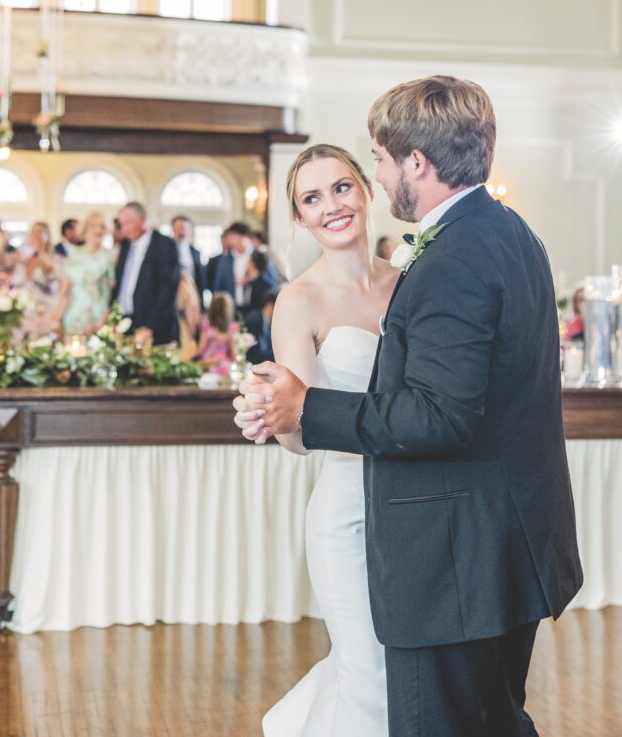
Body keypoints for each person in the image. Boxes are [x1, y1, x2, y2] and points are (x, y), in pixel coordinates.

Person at [236, 76, 582, 737]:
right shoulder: (510, 233)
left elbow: (439, 415)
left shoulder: (443, 259)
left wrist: (303, 406)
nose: (374, 172)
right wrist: (281, 410)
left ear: (413, 165)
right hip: (492, 537)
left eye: (375, 161)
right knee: (492, 718)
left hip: (451, 548)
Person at [238, 143, 397, 735]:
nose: (331, 205)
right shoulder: (297, 301)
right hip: (347, 513)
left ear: (367, 189)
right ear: (300, 218)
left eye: (341, 187)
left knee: (406, 667)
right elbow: (299, 435)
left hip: (414, 506)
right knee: (365, 667)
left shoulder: (408, 282)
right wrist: (270, 415)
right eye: (312, 198)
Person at [111, 201, 180, 345]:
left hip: (153, 326)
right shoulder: (125, 245)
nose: (124, 229)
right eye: (121, 224)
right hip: (125, 321)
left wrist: (149, 327)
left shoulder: (165, 245)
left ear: (142, 220)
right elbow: (120, 283)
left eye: (128, 223)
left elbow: (167, 290)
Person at [11, 222, 68, 343]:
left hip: (48, 311)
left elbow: (62, 284)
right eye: (33, 233)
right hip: (28, 311)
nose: (35, 236)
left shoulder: (58, 259)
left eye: (39, 232)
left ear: (47, 236)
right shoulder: (23, 259)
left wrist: (42, 257)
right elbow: (17, 282)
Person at [61, 212, 115, 337]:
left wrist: (103, 321)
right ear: (85, 229)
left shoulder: (110, 257)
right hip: (74, 317)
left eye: (102, 226)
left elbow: (112, 293)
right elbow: (64, 291)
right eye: (93, 225)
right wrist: (56, 320)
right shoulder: (74, 255)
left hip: (99, 319)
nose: (98, 230)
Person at [211, 221, 253, 309]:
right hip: (231, 308)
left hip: (253, 308)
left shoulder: (256, 256)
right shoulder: (225, 259)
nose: (229, 240)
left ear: (242, 236)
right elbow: (218, 286)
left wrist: (249, 280)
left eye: (232, 236)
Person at [197, 291, 236, 375]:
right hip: (225, 366)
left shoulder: (206, 327)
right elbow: (233, 356)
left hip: (208, 364)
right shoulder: (230, 330)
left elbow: (200, 350)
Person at [171, 215, 206, 304]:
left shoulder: (195, 252)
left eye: (183, 228)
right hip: (172, 299)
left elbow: (200, 279)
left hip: (192, 299)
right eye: (178, 228)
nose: (181, 232)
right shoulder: (165, 250)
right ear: (173, 229)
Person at [245, 289, 278, 365]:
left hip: (265, 362)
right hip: (254, 364)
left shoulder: (269, 322)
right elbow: (255, 353)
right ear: (270, 305)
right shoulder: (253, 320)